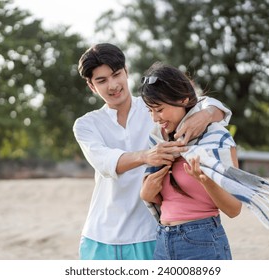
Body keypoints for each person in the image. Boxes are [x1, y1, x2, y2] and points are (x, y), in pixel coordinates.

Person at [73, 43, 232, 260]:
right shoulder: (86, 124)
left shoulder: (154, 108)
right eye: (101, 80)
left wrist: (207, 114)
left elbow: (200, 103)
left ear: (126, 72)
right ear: (92, 86)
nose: (113, 85)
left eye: (116, 74)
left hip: (150, 233)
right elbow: (105, 162)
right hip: (100, 235)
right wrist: (147, 156)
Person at [139, 62, 242, 260]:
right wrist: (147, 193)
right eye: (149, 110)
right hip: (162, 240)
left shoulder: (217, 139)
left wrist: (205, 179)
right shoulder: (157, 141)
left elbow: (234, 208)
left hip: (202, 241)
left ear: (183, 99)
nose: (154, 118)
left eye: (159, 109)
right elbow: (165, 201)